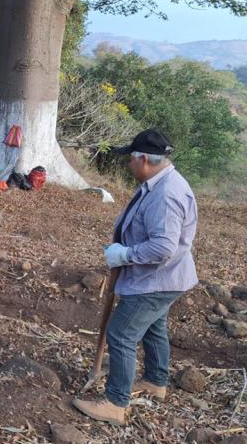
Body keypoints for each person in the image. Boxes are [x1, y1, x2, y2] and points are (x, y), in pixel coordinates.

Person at [72, 129, 198, 425]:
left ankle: (116, 403)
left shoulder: (166, 195)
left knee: (121, 333)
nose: (128, 164)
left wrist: (124, 255)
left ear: (143, 159)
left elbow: (163, 246)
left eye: (130, 159)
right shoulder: (160, 183)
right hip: (162, 278)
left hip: (157, 280)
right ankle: (156, 381)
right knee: (154, 327)